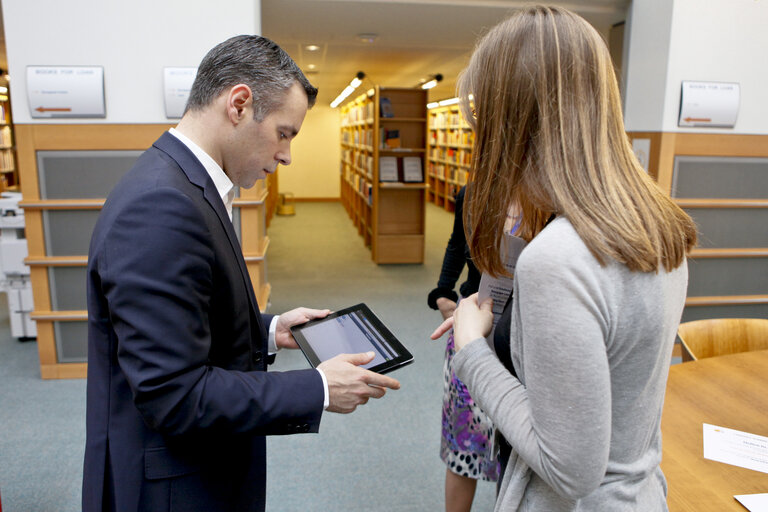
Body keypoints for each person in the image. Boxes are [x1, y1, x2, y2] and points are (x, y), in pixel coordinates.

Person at [82, 35, 400, 512]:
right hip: (171, 488)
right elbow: (174, 394)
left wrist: (270, 329)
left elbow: (190, 315)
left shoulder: (185, 183)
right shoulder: (160, 205)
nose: (287, 154)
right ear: (239, 104)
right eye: (284, 133)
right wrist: (317, 388)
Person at [432, 6, 697, 511]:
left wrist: (470, 349)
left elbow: (569, 468)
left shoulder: (556, 258)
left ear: (511, 125)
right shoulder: (655, 227)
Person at [427, 185, 499, 512]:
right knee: (463, 442)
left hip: (525, 334)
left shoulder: (545, 197)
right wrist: (443, 289)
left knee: (517, 452)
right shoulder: (472, 193)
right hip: (470, 327)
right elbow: (458, 243)